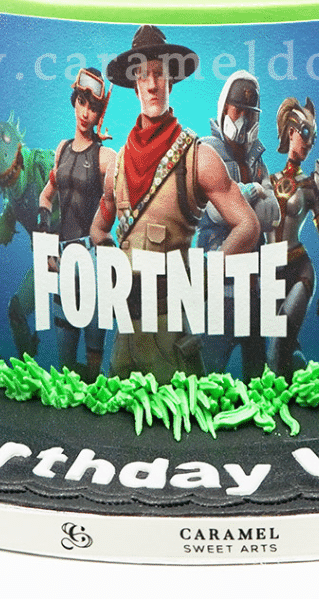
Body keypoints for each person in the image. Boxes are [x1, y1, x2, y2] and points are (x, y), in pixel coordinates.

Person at [90, 25, 260, 381]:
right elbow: (98, 230)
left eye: (159, 73)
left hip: (170, 327)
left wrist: (205, 275)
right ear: (135, 84)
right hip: (124, 331)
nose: (152, 84)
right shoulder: (117, 165)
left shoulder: (199, 157)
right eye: (143, 75)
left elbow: (248, 225)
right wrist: (111, 265)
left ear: (171, 80)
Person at [196, 71, 278, 379]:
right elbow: (214, 212)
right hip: (220, 285)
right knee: (209, 370)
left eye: (249, 114)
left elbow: (272, 214)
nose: (242, 120)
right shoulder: (207, 152)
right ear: (224, 110)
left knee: (256, 371)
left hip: (255, 284)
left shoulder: (256, 158)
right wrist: (251, 194)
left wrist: (243, 198)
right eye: (236, 111)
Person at [36, 67, 115, 379]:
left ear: (100, 114)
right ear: (74, 102)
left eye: (93, 108)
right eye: (82, 102)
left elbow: (122, 198)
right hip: (63, 257)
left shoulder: (106, 157)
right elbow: (46, 196)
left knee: (94, 351)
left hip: (91, 257)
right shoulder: (62, 149)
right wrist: (46, 243)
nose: (85, 113)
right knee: (65, 356)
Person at [264, 97, 319, 377]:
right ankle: (304, 379)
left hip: (299, 270)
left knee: (278, 344)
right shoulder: (267, 181)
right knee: (286, 349)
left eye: (314, 137)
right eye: (306, 133)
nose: (309, 143)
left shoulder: (311, 187)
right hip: (269, 273)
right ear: (291, 131)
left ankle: (286, 393)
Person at [0, 108, 55, 358]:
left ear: (19, 157)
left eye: (11, 175)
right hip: (47, 260)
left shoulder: (43, 165)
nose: (10, 184)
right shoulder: (12, 191)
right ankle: (26, 363)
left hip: (79, 253)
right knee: (16, 311)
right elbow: (9, 215)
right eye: (3, 181)